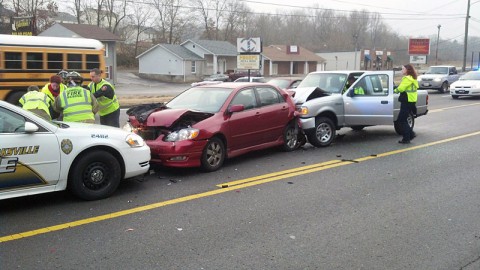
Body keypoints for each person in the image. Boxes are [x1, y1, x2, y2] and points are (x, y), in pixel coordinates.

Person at [394, 64, 418, 144]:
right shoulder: (413, 78)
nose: (402, 70)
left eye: (403, 69)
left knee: (401, 120)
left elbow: (401, 88)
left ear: (408, 70)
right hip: (411, 101)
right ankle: (410, 134)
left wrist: (395, 90)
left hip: (406, 101)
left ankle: (407, 137)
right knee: (403, 119)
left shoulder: (407, 78)